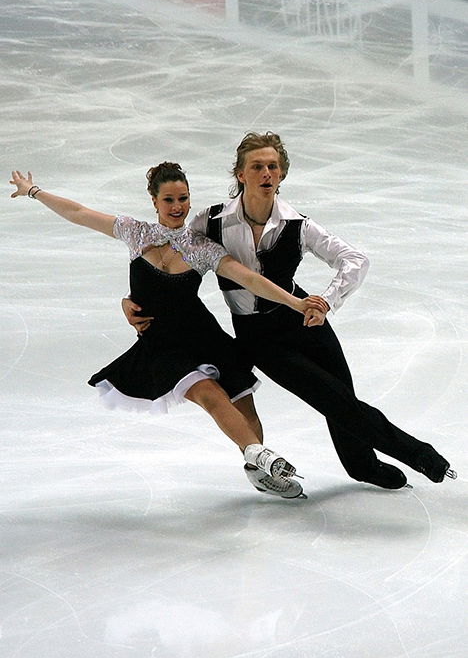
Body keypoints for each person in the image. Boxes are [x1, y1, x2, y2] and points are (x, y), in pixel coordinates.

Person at [123, 133, 456, 491]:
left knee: (343, 399)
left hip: (305, 323)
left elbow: (355, 259)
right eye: (257, 167)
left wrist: (327, 300)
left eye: (273, 167)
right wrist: (133, 300)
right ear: (240, 174)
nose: (267, 173)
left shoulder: (298, 225)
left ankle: (362, 465)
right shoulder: (211, 222)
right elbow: (171, 259)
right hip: (260, 338)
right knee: (332, 399)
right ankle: (424, 456)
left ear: (281, 175)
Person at [9, 163, 326, 499]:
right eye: (169, 199)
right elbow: (78, 212)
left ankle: (256, 467)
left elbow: (249, 279)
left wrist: (296, 303)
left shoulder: (201, 247)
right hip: (164, 346)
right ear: (154, 202)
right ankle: (259, 454)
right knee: (209, 395)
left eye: (184, 199)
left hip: (205, 337)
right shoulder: (135, 233)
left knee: (245, 411)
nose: (178, 207)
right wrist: (34, 191)